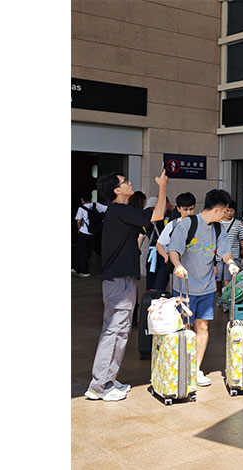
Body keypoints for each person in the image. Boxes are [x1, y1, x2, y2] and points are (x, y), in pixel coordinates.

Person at [85, 169, 169, 401]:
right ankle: (99, 385)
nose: (130, 183)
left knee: (120, 331)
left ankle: (108, 380)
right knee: (114, 331)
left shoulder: (121, 211)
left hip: (122, 280)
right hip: (118, 281)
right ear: (117, 190)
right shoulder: (119, 210)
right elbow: (157, 215)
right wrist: (162, 186)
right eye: (125, 182)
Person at [167, 189, 241, 387]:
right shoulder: (187, 224)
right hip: (185, 287)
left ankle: (195, 369)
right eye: (224, 210)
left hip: (207, 286)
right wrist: (178, 265)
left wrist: (230, 263)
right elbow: (173, 250)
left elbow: (225, 251)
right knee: (184, 328)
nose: (226, 214)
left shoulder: (218, 229)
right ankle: (181, 367)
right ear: (217, 209)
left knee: (203, 326)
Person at [215, 202, 243, 311]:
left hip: (233, 257)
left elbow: (242, 239)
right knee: (218, 280)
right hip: (218, 257)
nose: (229, 213)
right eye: (227, 210)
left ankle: (226, 300)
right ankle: (219, 296)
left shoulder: (238, 224)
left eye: (231, 211)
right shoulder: (217, 223)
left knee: (228, 280)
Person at [142, 196, 174, 291]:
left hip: (160, 254)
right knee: (152, 285)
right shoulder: (167, 219)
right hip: (156, 255)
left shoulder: (166, 219)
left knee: (156, 286)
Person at [155, 192, 196, 267]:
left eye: (191, 209)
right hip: (179, 265)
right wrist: (167, 257)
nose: (188, 213)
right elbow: (159, 244)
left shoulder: (199, 223)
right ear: (178, 209)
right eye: (185, 209)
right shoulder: (173, 224)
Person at [73, 192, 107, 277]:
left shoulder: (81, 208)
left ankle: (84, 271)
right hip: (95, 232)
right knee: (94, 250)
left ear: (82, 199)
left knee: (82, 251)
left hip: (84, 232)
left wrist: (78, 229)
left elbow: (78, 221)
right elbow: (107, 209)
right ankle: (106, 268)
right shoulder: (96, 205)